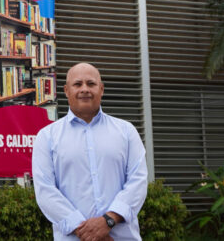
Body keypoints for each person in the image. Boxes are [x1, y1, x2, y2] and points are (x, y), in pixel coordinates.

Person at [31, 62, 148, 241]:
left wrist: (108, 221)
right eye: (77, 84)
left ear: (101, 89)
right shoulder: (47, 137)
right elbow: (45, 191)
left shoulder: (126, 131)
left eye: (91, 83)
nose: (84, 89)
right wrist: (89, 233)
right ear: (66, 90)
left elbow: (138, 182)